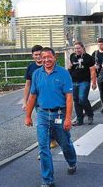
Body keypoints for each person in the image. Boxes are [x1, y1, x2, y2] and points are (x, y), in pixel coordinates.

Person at [24, 47, 77, 187]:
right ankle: (48, 180)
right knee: (43, 148)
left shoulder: (64, 73)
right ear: (40, 59)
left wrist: (68, 118)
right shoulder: (36, 74)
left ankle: (72, 162)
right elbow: (33, 96)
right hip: (42, 114)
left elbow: (69, 98)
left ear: (55, 58)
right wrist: (28, 116)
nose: (46, 60)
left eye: (49, 57)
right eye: (44, 57)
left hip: (59, 113)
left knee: (65, 143)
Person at [22, 45, 59, 152]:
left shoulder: (49, 66)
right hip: (36, 100)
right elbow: (27, 85)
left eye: (40, 54)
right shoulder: (31, 67)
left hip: (49, 99)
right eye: (36, 55)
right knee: (42, 121)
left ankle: (53, 138)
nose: (38, 57)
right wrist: (25, 101)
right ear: (32, 56)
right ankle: (45, 145)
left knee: (51, 121)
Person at [69, 41, 97, 126]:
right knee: (76, 100)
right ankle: (79, 119)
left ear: (82, 48)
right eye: (75, 48)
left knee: (82, 98)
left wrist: (94, 82)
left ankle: (90, 114)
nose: (77, 50)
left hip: (84, 81)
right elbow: (70, 67)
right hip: (74, 81)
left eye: (78, 48)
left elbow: (92, 71)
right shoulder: (72, 56)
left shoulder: (89, 58)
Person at [92, 38, 103, 114]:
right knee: (101, 92)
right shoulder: (95, 53)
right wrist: (94, 66)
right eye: (99, 44)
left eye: (101, 44)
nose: (100, 46)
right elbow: (91, 63)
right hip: (99, 74)